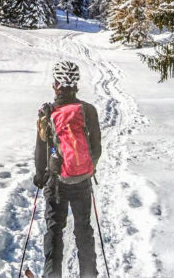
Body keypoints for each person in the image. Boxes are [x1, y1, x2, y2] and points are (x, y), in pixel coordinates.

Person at [33, 59, 102, 277]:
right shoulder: (88, 110)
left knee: (54, 232)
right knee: (84, 231)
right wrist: (88, 169)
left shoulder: (47, 111)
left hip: (56, 183)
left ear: (56, 83)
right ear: (76, 83)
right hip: (82, 180)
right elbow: (96, 148)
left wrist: (40, 175)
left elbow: (41, 147)